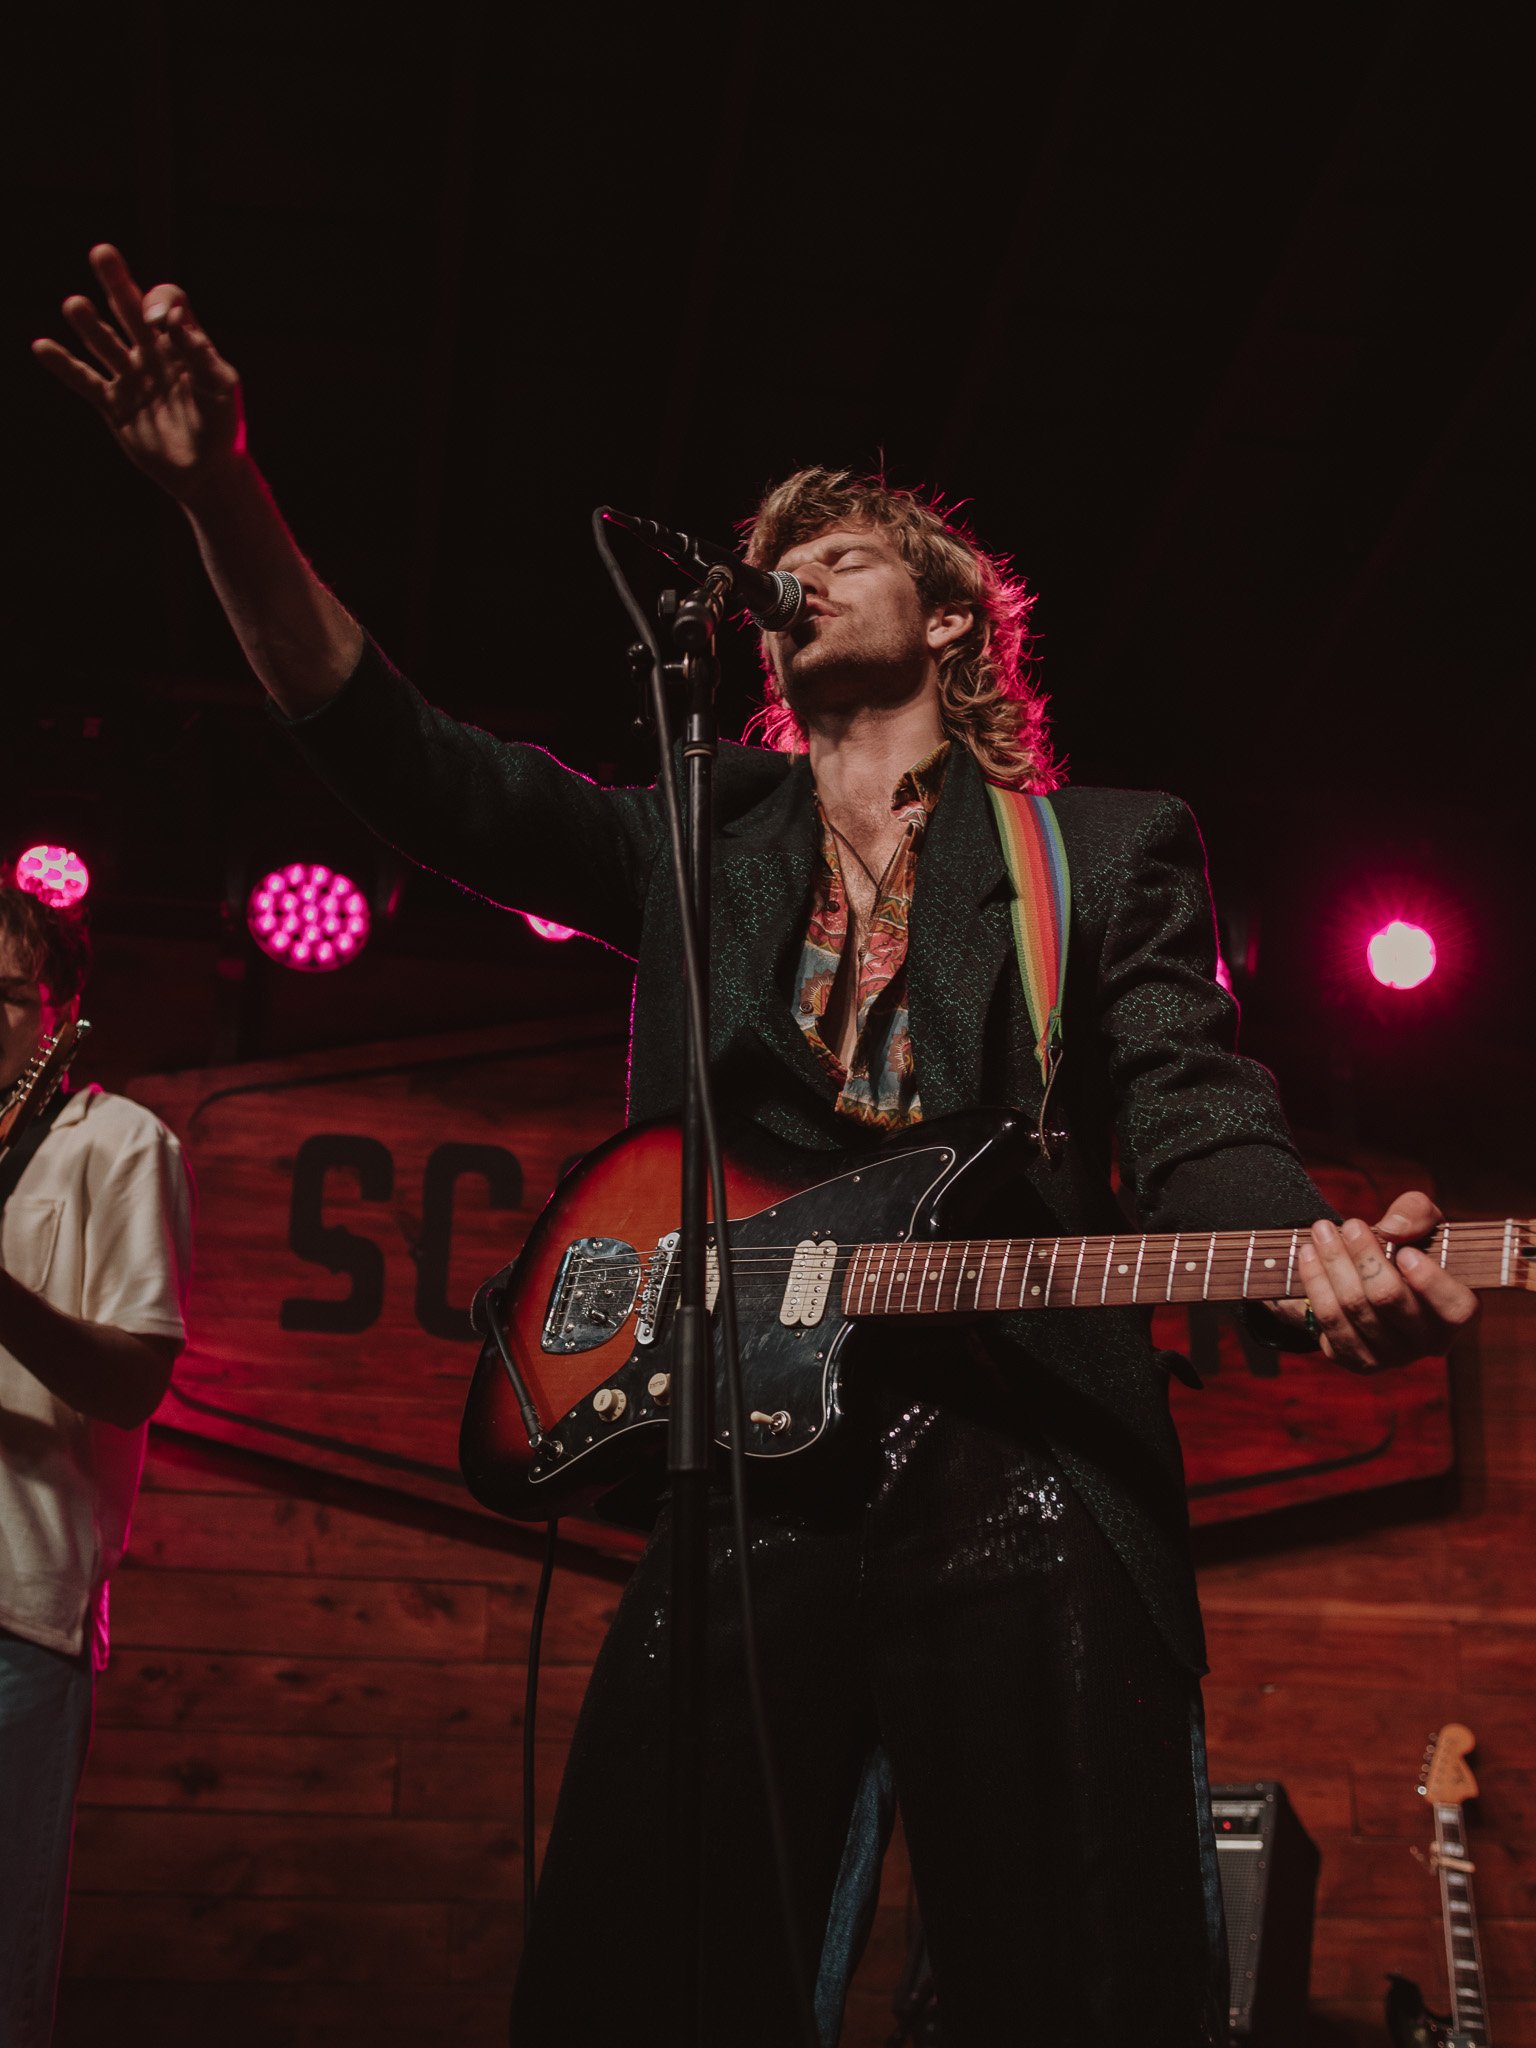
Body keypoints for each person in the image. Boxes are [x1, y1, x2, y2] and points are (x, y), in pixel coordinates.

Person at [34, 246, 1479, 2047]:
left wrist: (1305, 1260)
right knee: (649, 1974)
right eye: (774, 557)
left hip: (1022, 1451)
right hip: (743, 1475)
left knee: (1080, 1983)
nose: (789, 571)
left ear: (952, 621)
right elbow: (407, 760)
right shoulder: (699, 825)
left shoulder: (1096, 852)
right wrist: (219, 492)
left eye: (843, 549)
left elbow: (1194, 1105)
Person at [0, 873, 193, 2046]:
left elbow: (135, 1376)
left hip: (18, 1614)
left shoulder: (118, 1142)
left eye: (8, 996)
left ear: (60, 1012)